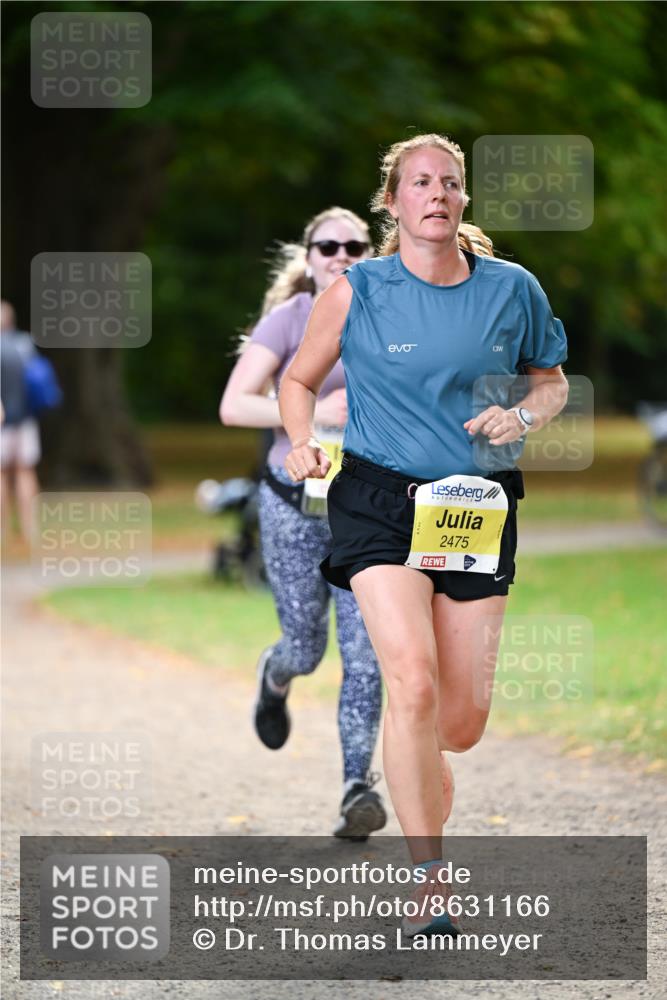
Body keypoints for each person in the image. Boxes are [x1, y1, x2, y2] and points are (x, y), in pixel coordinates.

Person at [279, 134, 568, 932]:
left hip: (475, 501)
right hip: (374, 499)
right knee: (409, 680)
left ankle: (416, 767)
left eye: (449, 182)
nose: (435, 193)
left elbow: (550, 381)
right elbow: (298, 379)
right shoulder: (357, 289)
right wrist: (302, 438)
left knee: (459, 722)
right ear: (392, 202)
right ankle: (429, 882)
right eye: (418, 183)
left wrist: (518, 412)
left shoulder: (512, 289)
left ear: (463, 200)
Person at [220, 207, 387, 840]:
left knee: (365, 657)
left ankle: (356, 787)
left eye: (354, 245)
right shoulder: (289, 319)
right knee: (306, 649)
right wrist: (312, 414)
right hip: (292, 507)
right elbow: (234, 404)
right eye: (328, 245)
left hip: (365, 510)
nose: (341, 254)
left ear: (371, 252)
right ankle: (275, 672)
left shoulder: (388, 317)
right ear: (310, 255)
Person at [1, 300, 41, 544]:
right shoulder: (26, 344)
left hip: (3, 422)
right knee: (26, 472)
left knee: (2, 474)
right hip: (26, 419)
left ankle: (3, 531)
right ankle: (30, 529)